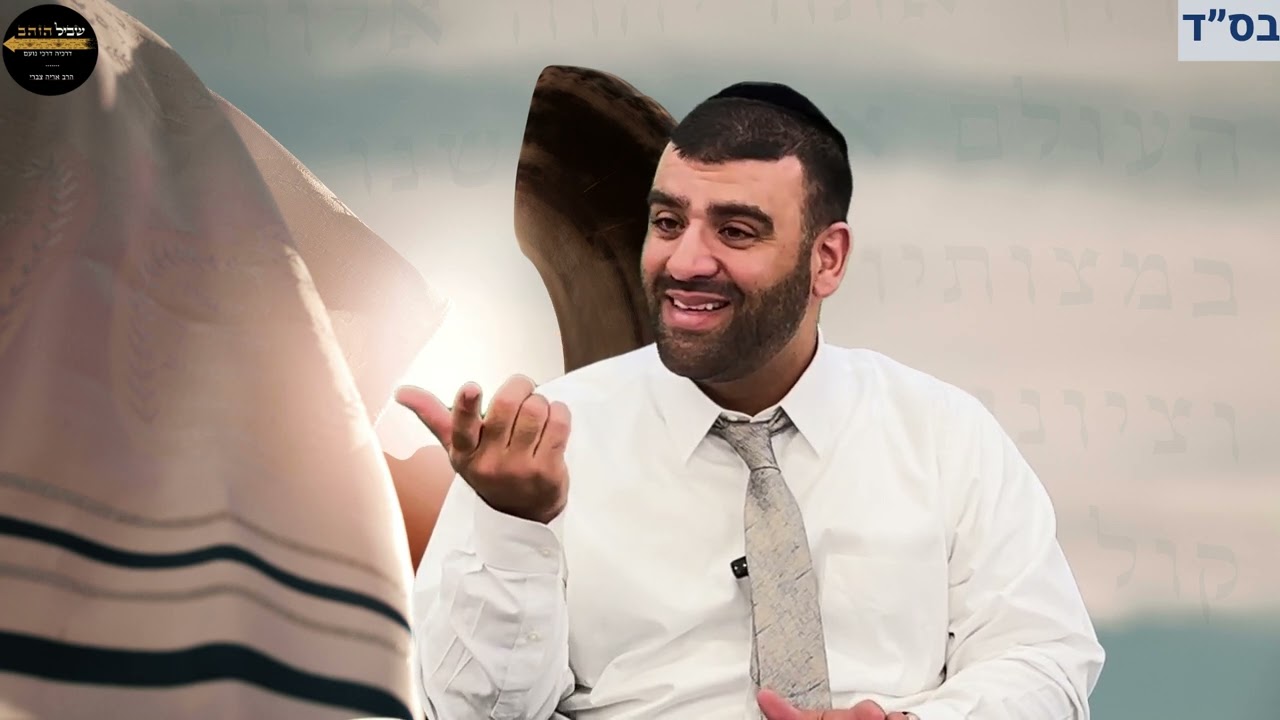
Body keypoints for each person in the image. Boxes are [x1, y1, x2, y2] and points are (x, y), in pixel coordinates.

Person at [401, 81, 1105, 719]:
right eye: (668, 223)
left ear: (827, 259)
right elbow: (466, 716)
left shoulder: (946, 436)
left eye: (735, 231)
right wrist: (513, 526)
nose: (685, 262)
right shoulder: (538, 448)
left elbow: (1044, 660)